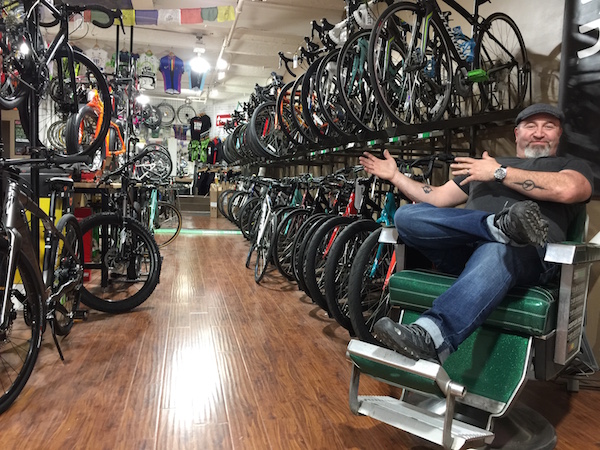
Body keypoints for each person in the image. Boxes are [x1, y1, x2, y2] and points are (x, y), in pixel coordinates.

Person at [358, 103, 594, 364]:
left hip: (527, 255)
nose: (539, 133)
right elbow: (436, 198)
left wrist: (498, 173)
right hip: (465, 249)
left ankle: (431, 338)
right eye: (530, 126)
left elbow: (571, 189)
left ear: (558, 134)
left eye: (548, 127)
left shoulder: (569, 165)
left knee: (499, 249)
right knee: (406, 216)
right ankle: (497, 226)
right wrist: (396, 177)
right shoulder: (482, 165)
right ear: (517, 133)